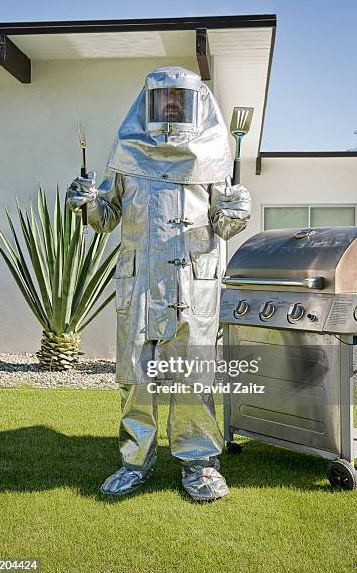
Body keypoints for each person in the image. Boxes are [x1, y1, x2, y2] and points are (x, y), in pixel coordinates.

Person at [66, 66, 251, 501]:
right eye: (162, 96)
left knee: (193, 379)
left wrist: (237, 210)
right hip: (142, 284)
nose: (170, 103)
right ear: (147, 103)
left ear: (194, 104)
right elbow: (106, 218)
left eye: (178, 97)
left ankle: (200, 464)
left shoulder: (213, 158)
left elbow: (223, 226)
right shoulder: (127, 154)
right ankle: (134, 462)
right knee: (138, 379)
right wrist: (87, 202)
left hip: (192, 285)